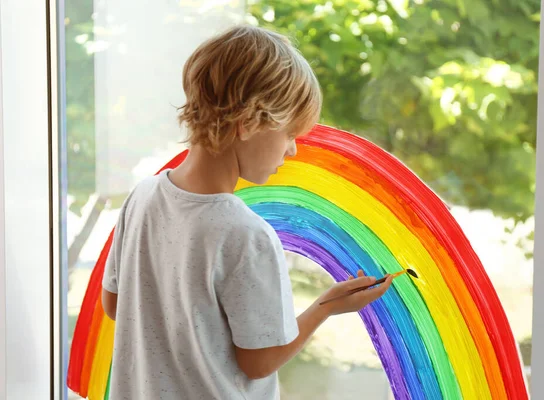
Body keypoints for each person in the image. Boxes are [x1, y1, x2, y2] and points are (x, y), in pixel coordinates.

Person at [101, 24, 393, 400]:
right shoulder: (244, 234)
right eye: (290, 135)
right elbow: (258, 361)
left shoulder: (142, 196)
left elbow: (114, 305)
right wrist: (325, 307)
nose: (292, 151)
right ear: (249, 124)